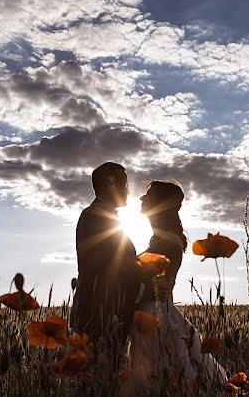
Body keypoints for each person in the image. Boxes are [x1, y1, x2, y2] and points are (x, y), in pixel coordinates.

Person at [128, 180, 227, 384]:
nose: (141, 198)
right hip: (149, 316)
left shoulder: (168, 242)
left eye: (149, 195)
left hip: (154, 318)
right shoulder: (159, 240)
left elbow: (153, 288)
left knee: (161, 376)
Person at [70, 162, 141, 368]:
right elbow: (111, 266)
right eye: (123, 183)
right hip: (100, 312)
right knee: (100, 374)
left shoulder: (103, 217)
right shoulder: (95, 218)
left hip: (108, 312)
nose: (128, 190)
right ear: (108, 186)